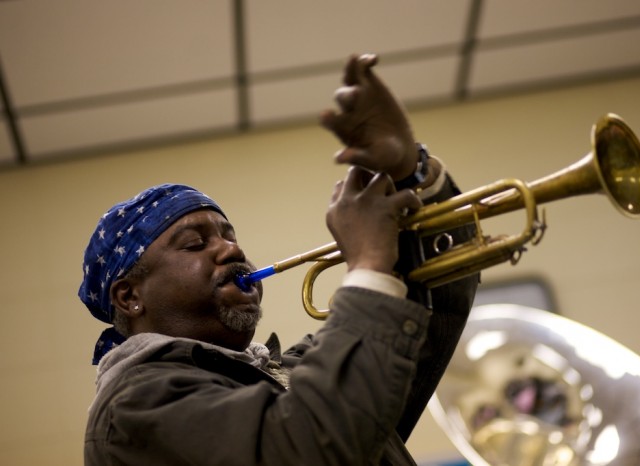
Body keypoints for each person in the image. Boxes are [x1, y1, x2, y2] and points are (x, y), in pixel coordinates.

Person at [79, 53, 479, 466]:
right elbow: (311, 447)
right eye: (195, 244)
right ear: (129, 297)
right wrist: (370, 264)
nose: (232, 250)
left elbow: (430, 313)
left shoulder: (293, 376)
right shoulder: (135, 405)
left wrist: (411, 171)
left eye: (230, 236)